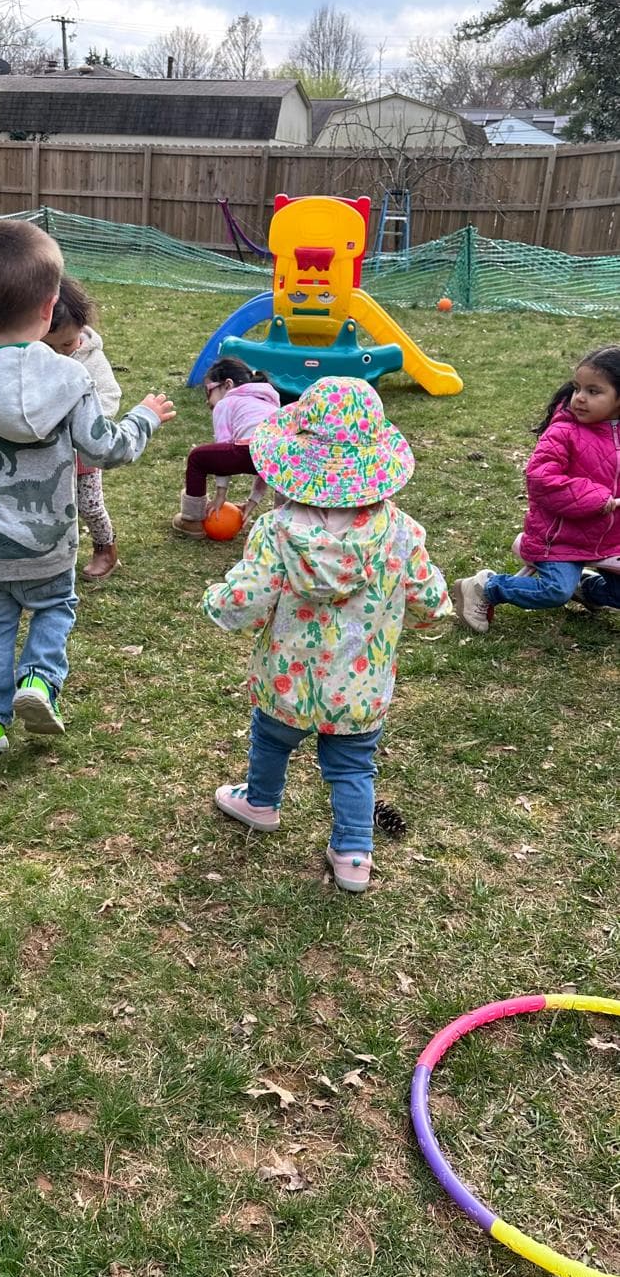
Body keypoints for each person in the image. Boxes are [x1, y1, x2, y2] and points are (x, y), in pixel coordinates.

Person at [0, 217, 175, 755]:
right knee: (54, 609)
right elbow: (105, 449)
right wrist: (144, 418)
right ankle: (40, 682)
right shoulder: (72, 378)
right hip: (49, 546)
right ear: (50, 308)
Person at [202, 378, 451, 894]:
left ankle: (261, 802)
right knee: (353, 765)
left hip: (286, 679)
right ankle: (354, 853)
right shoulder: (401, 532)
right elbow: (428, 598)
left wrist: (217, 601)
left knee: (271, 738)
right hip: (361, 684)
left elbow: (248, 596)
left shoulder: (276, 531)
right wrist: (428, 616)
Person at [454, 346, 620, 630]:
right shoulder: (564, 431)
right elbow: (541, 478)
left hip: (608, 539)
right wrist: (597, 498)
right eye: (578, 388)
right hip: (560, 537)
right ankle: (486, 587)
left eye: (593, 391)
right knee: (555, 591)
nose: (580, 398)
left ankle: (586, 587)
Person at [41, 276, 123, 580]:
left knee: (90, 505)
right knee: (53, 505)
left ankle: (105, 547)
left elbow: (110, 395)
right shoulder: (38, 358)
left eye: (67, 343)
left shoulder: (92, 358)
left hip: (83, 451)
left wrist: (86, 423)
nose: (61, 352)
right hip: (49, 451)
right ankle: (54, 553)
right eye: (50, 345)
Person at [171, 358, 281, 538]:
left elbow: (223, 446)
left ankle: (192, 521)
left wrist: (220, 495)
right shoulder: (270, 403)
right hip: (280, 456)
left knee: (198, 458)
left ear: (227, 385)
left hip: (246, 451)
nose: (207, 401)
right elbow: (268, 466)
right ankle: (283, 527)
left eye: (208, 391)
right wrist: (252, 502)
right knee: (280, 468)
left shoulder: (226, 402)